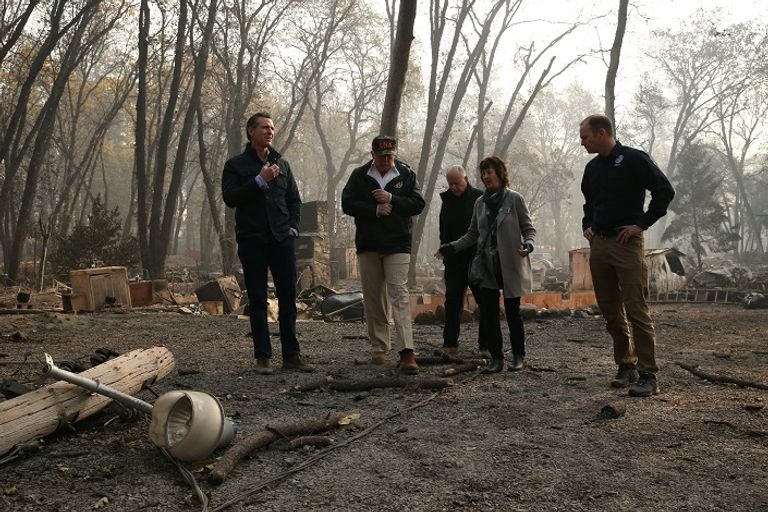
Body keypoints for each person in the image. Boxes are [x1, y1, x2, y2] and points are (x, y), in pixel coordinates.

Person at [579, 114, 675, 397]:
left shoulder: (634, 159)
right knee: (611, 312)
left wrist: (641, 224)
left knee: (636, 309)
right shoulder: (592, 168)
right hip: (600, 245)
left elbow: (664, 192)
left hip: (627, 244)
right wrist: (587, 226)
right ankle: (626, 364)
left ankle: (648, 374)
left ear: (600, 133)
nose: (582, 142)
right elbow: (589, 203)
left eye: (585, 137)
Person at [222, 112, 314, 375]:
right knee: (259, 299)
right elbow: (230, 198)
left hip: (281, 239)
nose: (270, 132)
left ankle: (291, 355)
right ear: (251, 131)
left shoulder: (282, 164)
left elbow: (295, 200)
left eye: (272, 128)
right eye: (264, 127)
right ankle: (263, 357)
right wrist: (259, 181)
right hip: (252, 240)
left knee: (288, 297)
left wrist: (294, 228)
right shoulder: (235, 165)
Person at [437, 156, 536, 374]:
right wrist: (450, 247)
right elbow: (472, 234)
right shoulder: (480, 203)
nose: (485, 176)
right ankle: (496, 358)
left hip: (511, 264)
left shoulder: (514, 199)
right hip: (488, 266)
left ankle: (519, 356)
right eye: (483, 173)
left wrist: (528, 245)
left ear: (500, 173)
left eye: (489, 172)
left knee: (512, 313)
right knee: (489, 313)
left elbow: (528, 228)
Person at [341, 135, 426, 374]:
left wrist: (392, 199)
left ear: (395, 155)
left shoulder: (407, 175)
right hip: (368, 244)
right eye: (381, 157)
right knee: (373, 296)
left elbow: (418, 204)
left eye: (389, 157)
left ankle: (406, 350)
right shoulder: (359, 176)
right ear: (372, 156)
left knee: (398, 293)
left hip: (398, 244)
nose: (385, 161)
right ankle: (380, 345)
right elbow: (347, 204)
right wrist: (374, 209)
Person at [437, 165, 486, 357]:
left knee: (484, 303)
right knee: (453, 303)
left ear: (466, 179)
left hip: (476, 259)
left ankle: (485, 346)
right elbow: (443, 229)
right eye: (450, 184)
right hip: (454, 261)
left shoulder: (479, 198)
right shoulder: (446, 201)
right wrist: (445, 250)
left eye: (456, 183)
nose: (453, 187)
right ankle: (450, 345)